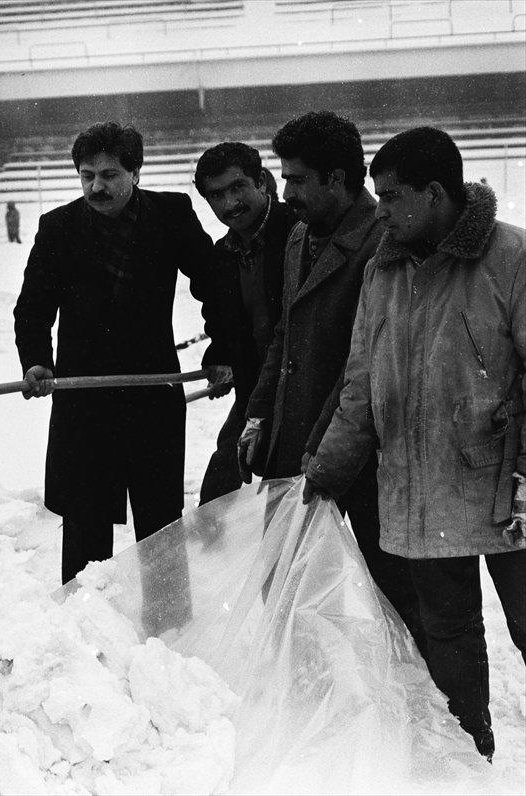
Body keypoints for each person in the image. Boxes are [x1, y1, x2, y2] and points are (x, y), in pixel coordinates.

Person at [304, 127, 525, 759]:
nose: (382, 211)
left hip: (509, 495)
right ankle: (469, 757)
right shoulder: (384, 272)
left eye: (393, 197)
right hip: (420, 494)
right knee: (448, 635)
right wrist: (329, 468)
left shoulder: (511, 258)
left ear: (435, 194)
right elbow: (361, 386)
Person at [13, 121, 233, 585]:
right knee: (85, 526)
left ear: (136, 171)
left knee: (161, 525)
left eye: (109, 174)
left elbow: (215, 284)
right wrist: (36, 360)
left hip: (152, 396)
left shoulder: (171, 213)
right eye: (86, 174)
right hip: (82, 401)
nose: (97, 185)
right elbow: (32, 309)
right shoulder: (58, 228)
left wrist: (222, 345)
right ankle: (84, 626)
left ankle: (170, 629)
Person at [238, 111, 423, 648]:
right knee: (288, 586)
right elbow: (285, 337)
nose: (284, 189)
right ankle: (303, 694)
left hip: (366, 453)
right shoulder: (300, 236)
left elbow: (363, 365)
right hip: (294, 442)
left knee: (390, 591)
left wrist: (324, 450)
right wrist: (258, 416)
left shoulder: (385, 242)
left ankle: (416, 711)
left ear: (337, 179)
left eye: (296, 178)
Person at [194, 143, 294, 504]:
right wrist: (219, 356)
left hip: (305, 392)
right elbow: (219, 317)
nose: (229, 203)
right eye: (217, 195)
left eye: (238, 187)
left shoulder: (297, 232)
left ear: (263, 184)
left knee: (287, 505)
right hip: (255, 392)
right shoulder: (222, 256)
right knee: (216, 494)